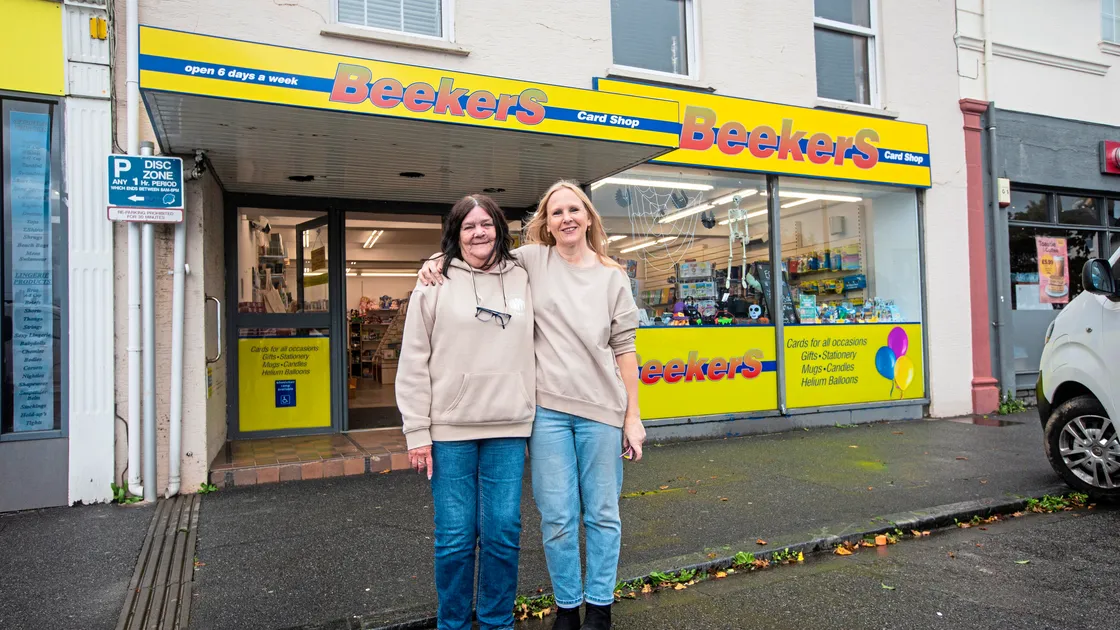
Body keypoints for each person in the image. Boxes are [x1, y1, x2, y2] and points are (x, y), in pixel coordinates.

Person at [420, 181, 644, 630]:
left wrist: (632, 416)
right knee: (557, 516)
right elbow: (475, 252)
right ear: (546, 221)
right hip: (547, 413)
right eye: (557, 211)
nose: (566, 218)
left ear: (588, 217)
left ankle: (599, 607)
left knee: (602, 513)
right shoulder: (529, 262)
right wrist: (434, 260)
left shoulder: (611, 275)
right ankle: (567, 607)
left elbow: (625, 348)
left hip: (602, 410)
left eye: (574, 210)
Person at [396, 194, 535, 630]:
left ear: (500, 228)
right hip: (450, 429)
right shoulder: (434, 281)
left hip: (509, 426)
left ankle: (497, 622)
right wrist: (417, 430)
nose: (479, 233)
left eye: (487, 224)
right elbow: (414, 358)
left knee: (502, 534)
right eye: (469, 226)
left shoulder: (524, 274)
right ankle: (452, 623)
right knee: (455, 539)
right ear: (456, 234)